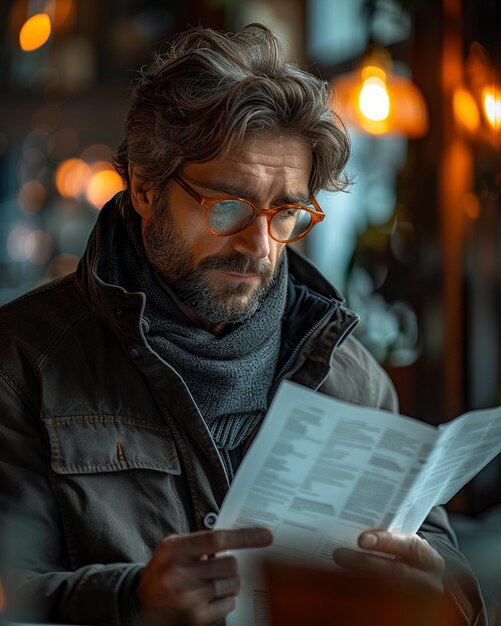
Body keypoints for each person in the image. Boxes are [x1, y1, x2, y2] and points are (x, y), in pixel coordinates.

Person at [0, 23, 486, 626]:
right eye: (227, 205)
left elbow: (448, 567)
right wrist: (133, 601)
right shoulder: (22, 363)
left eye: (286, 212)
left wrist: (432, 580)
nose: (258, 244)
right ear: (147, 188)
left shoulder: (351, 375)